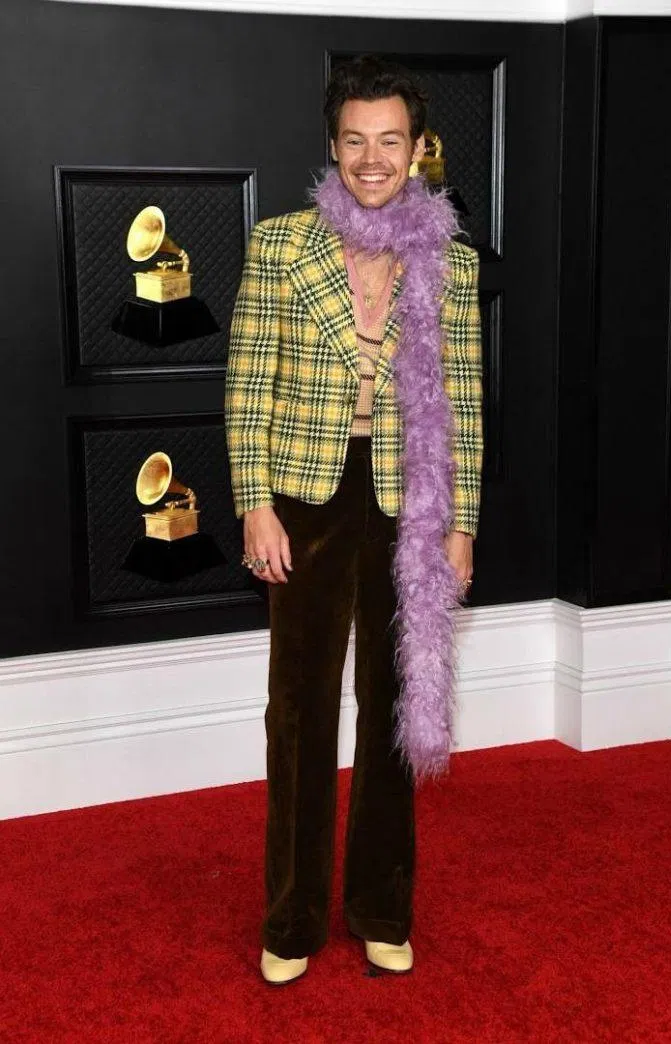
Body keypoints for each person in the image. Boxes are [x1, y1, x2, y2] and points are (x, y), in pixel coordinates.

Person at [225, 54, 483, 986]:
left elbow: (465, 402)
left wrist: (460, 525)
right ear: (333, 147)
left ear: (418, 149)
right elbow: (247, 383)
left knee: (394, 706)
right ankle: (292, 919)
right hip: (304, 499)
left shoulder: (450, 259)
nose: (373, 159)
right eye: (354, 141)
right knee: (297, 712)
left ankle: (381, 908)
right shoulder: (281, 245)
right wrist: (254, 502)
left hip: (410, 504)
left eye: (390, 141)